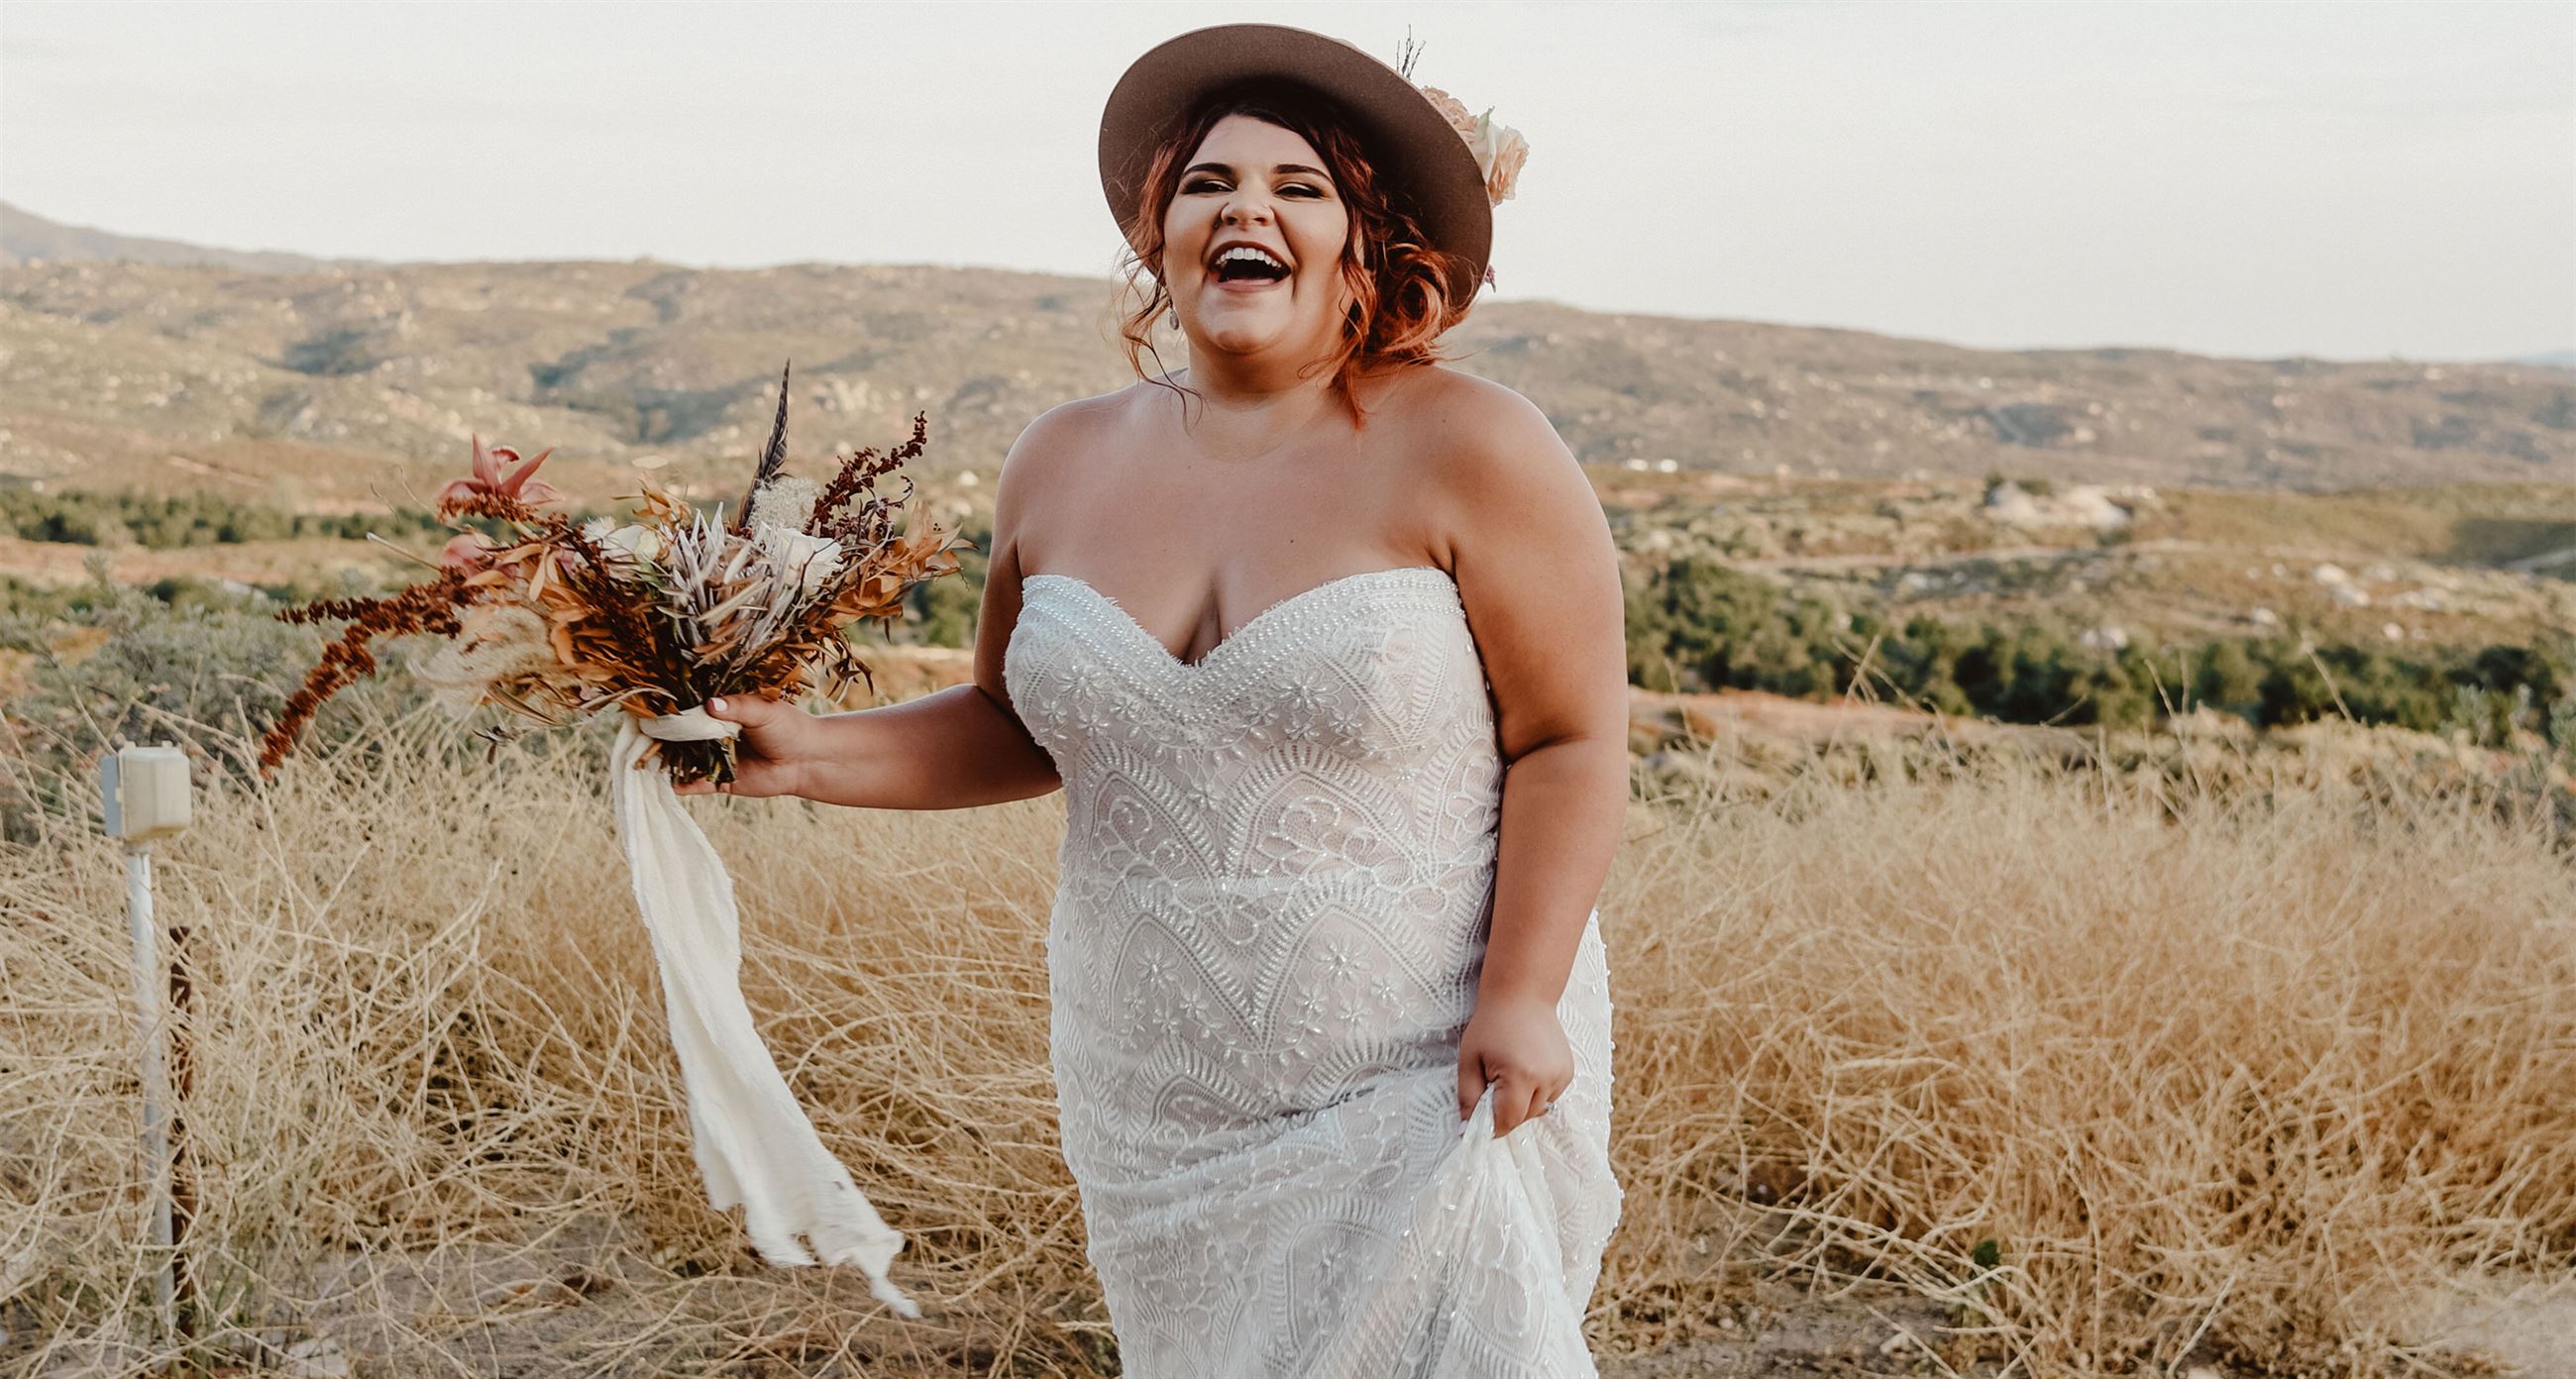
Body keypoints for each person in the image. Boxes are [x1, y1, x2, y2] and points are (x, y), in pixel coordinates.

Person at [679, 22, 1626, 1377]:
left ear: (1366, 244)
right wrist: (801, 752)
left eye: (1301, 189)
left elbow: (1571, 740)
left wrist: (1522, 995)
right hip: (1157, 1091)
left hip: (1425, 1071)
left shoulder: (1475, 445)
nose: (1247, 208)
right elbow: (1018, 726)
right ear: (1160, 238)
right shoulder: (1059, 462)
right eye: (1208, 185)